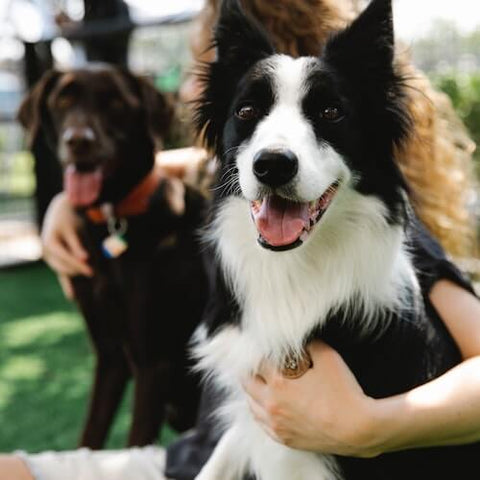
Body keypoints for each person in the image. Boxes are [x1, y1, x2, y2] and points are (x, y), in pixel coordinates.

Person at [5, 0, 479, 479]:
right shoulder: (233, 180)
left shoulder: (393, 241)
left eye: (199, 65)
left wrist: (365, 427)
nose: (189, 88)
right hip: (201, 454)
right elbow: (197, 163)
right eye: (247, 108)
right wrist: (73, 200)